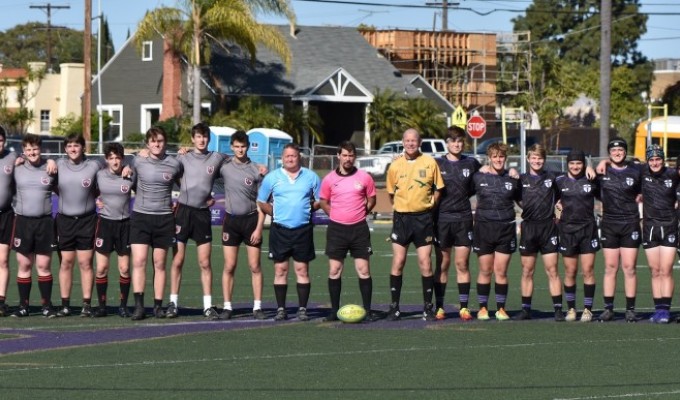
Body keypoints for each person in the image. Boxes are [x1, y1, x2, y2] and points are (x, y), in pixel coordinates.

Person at [166, 122, 227, 320]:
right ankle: (173, 303)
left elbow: (237, 166)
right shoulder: (183, 157)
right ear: (192, 139)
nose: (202, 140)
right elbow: (169, 175)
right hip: (183, 212)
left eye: (205, 136)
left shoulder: (217, 157)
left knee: (204, 262)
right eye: (198, 137)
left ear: (209, 139)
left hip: (202, 214)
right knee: (178, 260)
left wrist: (214, 198)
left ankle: (208, 306)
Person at [385, 128, 445, 321]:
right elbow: (391, 193)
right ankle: (394, 307)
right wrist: (401, 206)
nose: (410, 143)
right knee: (398, 261)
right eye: (407, 140)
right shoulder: (394, 166)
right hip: (402, 219)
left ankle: (428, 307)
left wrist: (430, 206)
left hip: (423, 219)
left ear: (420, 142)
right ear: (403, 142)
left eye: (414, 140)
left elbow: (438, 189)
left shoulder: (429, 162)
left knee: (425, 262)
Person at [257, 143, 321, 321]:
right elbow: (262, 201)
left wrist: (309, 209)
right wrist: (275, 213)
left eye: (293, 156)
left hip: (303, 230)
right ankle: (281, 309)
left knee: (302, 269)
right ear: (282, 159)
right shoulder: (272, 177)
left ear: (299, 157)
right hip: (280, 231)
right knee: (280, 270)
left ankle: (302, 309)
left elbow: (321, 200)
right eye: (287, 156)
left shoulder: (311, 177)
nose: (290, 159)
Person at [319, 141, 378, 322]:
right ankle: (334, 311)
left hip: (359, 229)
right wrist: (335, 215)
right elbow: (323, 201)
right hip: (337, 229)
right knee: (335, 270)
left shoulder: (365, 177)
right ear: (338, 156)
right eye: (344, 155)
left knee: (363, 269)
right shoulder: (329, 179)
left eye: (351, 155)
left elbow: (372, 199)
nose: (348, 159)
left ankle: (367, 310)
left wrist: (361, 213)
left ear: (355, 157)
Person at [129, 126, 182, 320]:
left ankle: (158, 306)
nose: (156, 144)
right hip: (141, 217)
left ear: (165, 142)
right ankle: (139, 306)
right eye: (153, 141)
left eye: (160, 140)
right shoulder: (138, 161)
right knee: (139, 261)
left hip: (164, 218)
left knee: (160, 263)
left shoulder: (174, 163)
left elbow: (187, 184)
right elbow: (128, 181)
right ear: (147, 144)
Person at [432, 126, 481, 321]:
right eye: (453, 141)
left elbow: (488, 174)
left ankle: (464, 307)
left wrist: (511, 170)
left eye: (460, 141)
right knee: (443, 264)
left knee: (462, 264)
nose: (457, 144)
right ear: (447, 143)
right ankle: (440, 306)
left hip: (463, 219)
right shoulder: (436, 163)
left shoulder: (472, 163)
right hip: (442, 219)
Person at [219, 130, 266, 320]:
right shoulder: (224, 165)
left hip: (251, 221)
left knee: (255, 266)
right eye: (236, 146)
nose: (240, 149)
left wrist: (259, 227)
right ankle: (227, 307)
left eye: (243, 146)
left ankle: (257, 307)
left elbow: (262, 203)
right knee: (229, 266)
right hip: (231, 222)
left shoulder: (257, 169)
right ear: (231, 146)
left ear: (248, 146)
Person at [53, 134, 102, 317]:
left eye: (77, 145)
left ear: (83, 148)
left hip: (87, 221)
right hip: (65, 221)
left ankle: (86, 304)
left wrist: (128, 165)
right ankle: (65, 304)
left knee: (85, 263)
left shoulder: (94, 165)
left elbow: (114, 168)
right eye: (70, 146)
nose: (73, 149)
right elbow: (51, 183)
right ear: (65, 149)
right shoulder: (58, 165)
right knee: (66, 263)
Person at [514, 144, 564, 321]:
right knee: (527, 270)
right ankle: (526, 309)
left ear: (544, 160)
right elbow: (516, 198)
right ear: (528, 159)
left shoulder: (553, 178)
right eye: (533, 157)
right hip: (529, 228)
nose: (536, 161)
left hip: (548, 228)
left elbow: (561, 198)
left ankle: (558, 309)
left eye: (540, 158)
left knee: (552, 270)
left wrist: (559, 215)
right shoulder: (520, 179)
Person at [10, 134, 58, 317]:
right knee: (24, 264)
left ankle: (47, 305)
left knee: (44, 265)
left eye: (35, 149)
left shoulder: (51, 168)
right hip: (22, 222)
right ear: (23, 151)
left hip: (44, 222)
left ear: (41, 149)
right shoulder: (17, 168)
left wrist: (53, 160)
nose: (32, 152)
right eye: (28, 150)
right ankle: (24, 306)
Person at [471, 142, 520, 321]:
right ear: (489, 158)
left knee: (501, 271)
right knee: (485, 270)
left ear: (505, 159)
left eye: (501, 157)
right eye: (495, 157)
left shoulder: (513, 179)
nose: (498, 160)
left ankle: (501, 308)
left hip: (505, 229)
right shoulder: (478, 177)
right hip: (483, 228)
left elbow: (524, 201)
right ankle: (483, 308)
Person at [596, 137, 641, 322]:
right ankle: (608, 308)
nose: (617, 153)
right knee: (610, 267)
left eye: (621, 150)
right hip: (609, 224)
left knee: (629, 268)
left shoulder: (635, 171)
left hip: (630, 223)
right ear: (609, 153)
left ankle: (630, 309)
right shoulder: (602, 172)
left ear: (625, 151)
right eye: (613, 151)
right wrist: (601, 163)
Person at [556, 150, 600, 322]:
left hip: (588, 230)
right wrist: (556, 216)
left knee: (588, 270)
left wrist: (592, 168)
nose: (575, 166)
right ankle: (571, 309)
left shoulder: (591, 179)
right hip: (567, 231)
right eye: (572, 163)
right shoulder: (558, 180)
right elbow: (551, 200)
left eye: (579, 163)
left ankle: (588, 309)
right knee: (570, 271)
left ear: (583, 164)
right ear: (567, 164)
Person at [92, 143, 134, 318]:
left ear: (122, 159)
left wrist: (130, 167)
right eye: (111, 158)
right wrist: (96, 201)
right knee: (101, 268)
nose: (115, 161)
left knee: (124, 268)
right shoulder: (99, 175)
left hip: (125, 225)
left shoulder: (130, 174)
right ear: (106, 159)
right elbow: (88, 192)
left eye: (118, 158)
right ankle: (102, 306)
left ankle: (123, 306)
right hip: (105, 224)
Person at [640, 145, 678, 323]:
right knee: (655, 271)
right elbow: (619, 164)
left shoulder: (672, 174)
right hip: (650, 228)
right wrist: (604, 162)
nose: (655, 162)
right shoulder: (641, 173)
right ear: (647, 160)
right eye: (652, 159)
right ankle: (658, 310)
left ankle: (666, 310)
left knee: (666, 269)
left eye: (658, 159)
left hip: (669, 226)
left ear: (663, 160)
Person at [0, 127, 16, 316]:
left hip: (5, 215)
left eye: (1, 140)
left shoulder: (13, 158)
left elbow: (36, 160)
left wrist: (52, 160)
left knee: (3, 260)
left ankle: (1, 300)